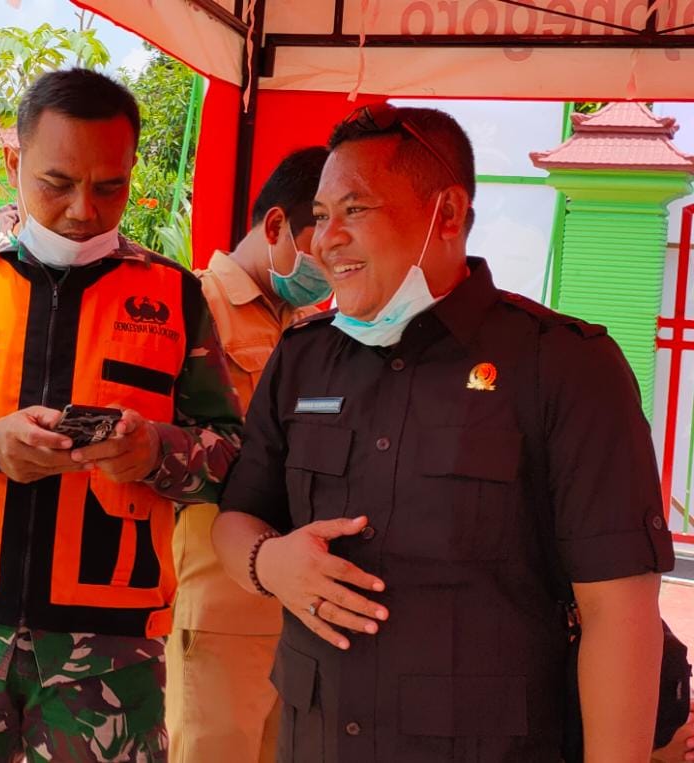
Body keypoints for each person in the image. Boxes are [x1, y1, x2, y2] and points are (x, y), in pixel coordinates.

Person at [212, 104, 674, 762]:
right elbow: (236, 518)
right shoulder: (303, 357)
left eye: (355, 210)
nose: (323, 239)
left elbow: (618, 611)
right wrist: (269, 564)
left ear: (447, 215)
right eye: (320, 214)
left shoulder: (564, 366)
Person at [0, 67, 243, 762]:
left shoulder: (174, 297)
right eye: (57, 182)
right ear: (14, 162)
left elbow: (230, 453)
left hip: (109, 650)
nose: (82, 209)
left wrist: (158, 451)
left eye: (110, 187)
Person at [169, 146, 331, 763]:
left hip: (296, 604)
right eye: (323, 235)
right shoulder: (196, 309)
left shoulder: (314, 326)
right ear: (275, 227)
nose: (336, 255)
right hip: (218, 601)